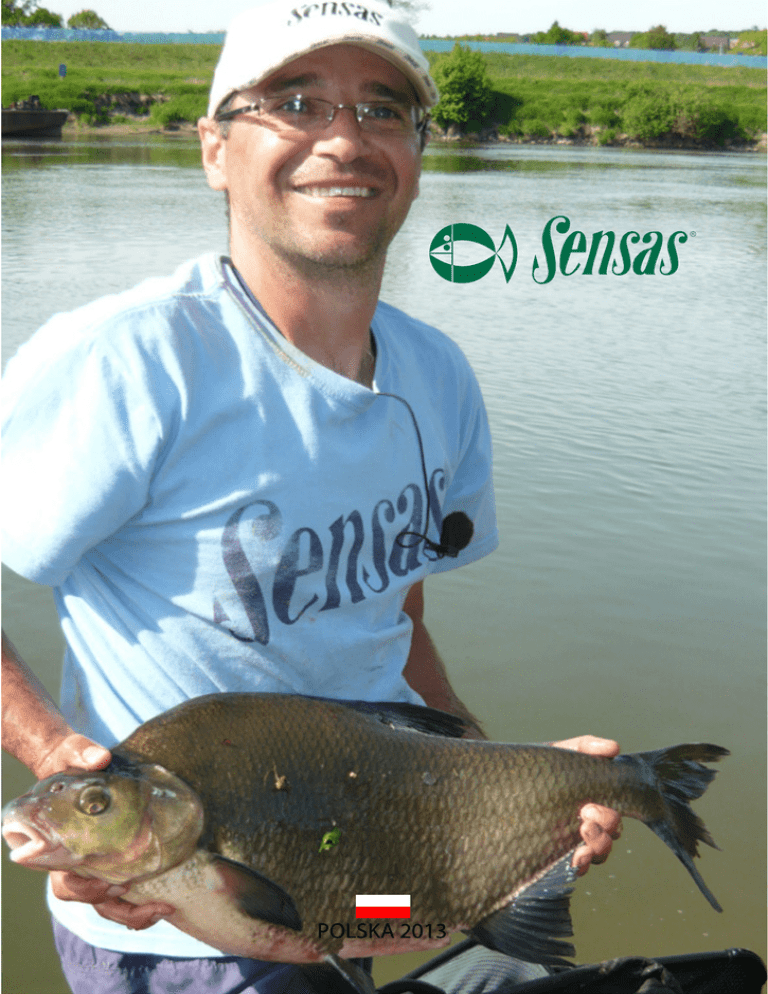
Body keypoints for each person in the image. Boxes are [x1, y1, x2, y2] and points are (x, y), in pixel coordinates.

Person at [1, 2, 621, 992]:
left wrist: (507, 790)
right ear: (215, 149)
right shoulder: (126, 361)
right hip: (180, 932)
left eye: (383, 109)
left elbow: (396, 614)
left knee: (415, 921)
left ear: (416, 152)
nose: (345, 139)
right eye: (295, 103)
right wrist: (61, 767)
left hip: (357, 885)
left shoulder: (438, 377)